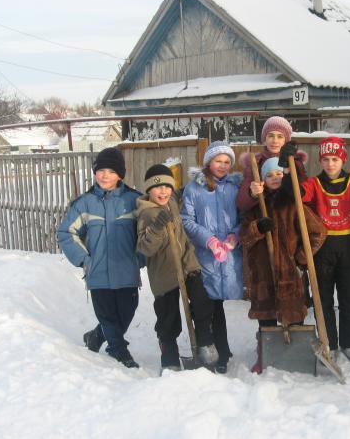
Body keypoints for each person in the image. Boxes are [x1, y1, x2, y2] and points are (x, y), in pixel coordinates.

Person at [281, 136, 350, 363]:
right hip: (323, 251)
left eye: (334, 159)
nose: (330, 164)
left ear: (343, 159)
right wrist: (285, 165)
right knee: (323, 299)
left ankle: (349, 343)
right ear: (321, 161)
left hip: (349, 249)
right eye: (325, 159)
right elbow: (292, 193)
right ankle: (328, 342)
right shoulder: (314, 184)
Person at [57, 147, 143, 368]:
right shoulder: (85, 203)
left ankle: (95, 337)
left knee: (125, 313)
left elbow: (146, 233)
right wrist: (85, 260)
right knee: (106, 315)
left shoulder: (134, 201)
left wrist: (140, 258)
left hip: (126, 270)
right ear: (95, 172)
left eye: (111, 171)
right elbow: (67, 232)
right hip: (98, 271)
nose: (105, 175)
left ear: (120, 175)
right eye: (101, 170)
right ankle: (119, 351)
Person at [240, 157, 327, 373]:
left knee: (294, 315)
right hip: (264, 273)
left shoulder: (293, 204)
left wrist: (300, 259)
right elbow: (244, 238)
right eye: (269, 175)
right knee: (267, 319)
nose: (274, 178)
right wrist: (258, 227)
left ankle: (297, 354)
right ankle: (266, 353)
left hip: (289, 272)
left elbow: (319, 232)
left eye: (278, 174)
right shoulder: (255, 207)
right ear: (262, 180)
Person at [135, 164, 221, 373]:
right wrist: (156, 229)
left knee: (202, 302)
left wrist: (200, 178)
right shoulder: (146, 214)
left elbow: (184, 192)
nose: (163, 191)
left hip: (187, 265)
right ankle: (169, 353)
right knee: (168, 318)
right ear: (148, 190)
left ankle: (204, 342)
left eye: (167, 186)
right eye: (157, 188)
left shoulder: (172, 201)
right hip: (164, 275)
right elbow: (144, 248)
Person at [180, 141, 243, 374]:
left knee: (216, 306)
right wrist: (209, 240)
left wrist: (233, 237)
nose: (223, 166)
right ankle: (207, 348)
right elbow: (186, 220)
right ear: (208, 162)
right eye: (219, 161)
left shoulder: (235, 188)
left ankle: (221, 353)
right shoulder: (194, 188)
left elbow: (243, 217)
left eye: (227, 162)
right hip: (202, 258)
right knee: (203, 304)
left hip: (225, 257)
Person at [236, 115, 306, 212]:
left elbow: (304, 195)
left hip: (289, 215)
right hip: (263, 215)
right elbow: (241, 204)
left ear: (286, 141)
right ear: (265, 139)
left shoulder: (295, 163)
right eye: (271, 135)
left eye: (280, 136)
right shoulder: (255, 163)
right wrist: (252, 194)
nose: (275, 141)